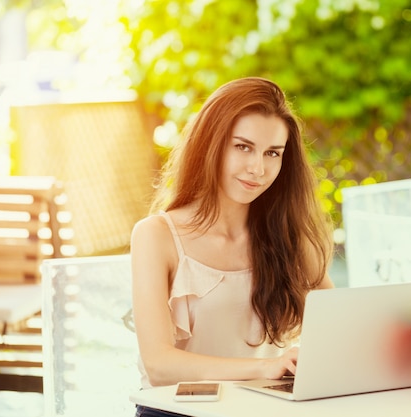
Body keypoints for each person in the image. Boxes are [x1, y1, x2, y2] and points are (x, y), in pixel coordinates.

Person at [131, 77, 334, 416]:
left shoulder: (288, 236)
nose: (258, 168)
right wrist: (265, 368)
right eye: (243, 147)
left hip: (263, 409)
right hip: (176, 412)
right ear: (211, 144)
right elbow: (159, 365)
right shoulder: (156, 235)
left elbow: (338, 322)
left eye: (273, 153)